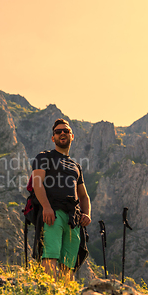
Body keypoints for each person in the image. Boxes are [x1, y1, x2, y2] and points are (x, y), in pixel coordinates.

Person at [31, 118, 91, 281]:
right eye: (58, 132)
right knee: (50, 254)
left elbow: (84, 196)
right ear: (53, 138)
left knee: (69, 263)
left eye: (66, 131)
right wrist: (46, 207)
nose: (62, 133)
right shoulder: (44, 157)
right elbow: (38, 184)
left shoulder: (76, 166)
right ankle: (47, 294)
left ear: (72, 136)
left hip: (74, 219)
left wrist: (86, 214)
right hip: (53, 214)